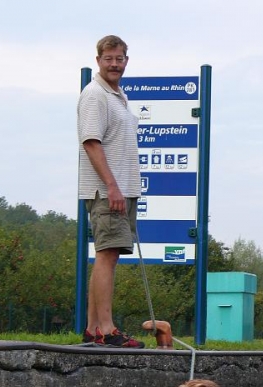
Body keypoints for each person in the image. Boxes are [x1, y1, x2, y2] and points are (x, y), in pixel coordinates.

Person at [77, 34, 144, 348]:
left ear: (126, 61)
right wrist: (111, 186)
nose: (114, 64)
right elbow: (91, 142)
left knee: (108, 255)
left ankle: (94, 329)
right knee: (107, 255)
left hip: (122, 189)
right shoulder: (95, 95)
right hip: (108, 191)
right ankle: (106, 329)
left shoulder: (118, 96)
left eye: (119, 59)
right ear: (98, 61)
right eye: (109, 59)